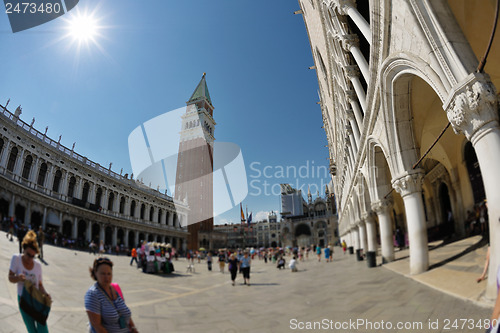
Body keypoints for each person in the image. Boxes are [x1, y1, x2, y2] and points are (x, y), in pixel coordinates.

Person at [8, 230, 51, 333]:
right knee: (31, 329)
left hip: (36, 298)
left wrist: (45, 294)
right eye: (28, 255)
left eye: (33, 256)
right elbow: (10, 277)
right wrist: (18, 278)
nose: (30, 258)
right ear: (23, 249)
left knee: (42, 327)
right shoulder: (16, 259)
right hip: (23, 299)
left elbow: (40, 284)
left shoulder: (38, 266)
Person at [85, 257, 138, 333]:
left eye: (109, 274)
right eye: (103, 274)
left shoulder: (114, 288)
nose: (107, 277)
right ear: (95, 273)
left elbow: (124, 312)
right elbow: (97, 326)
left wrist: (133, 328)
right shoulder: (93, 294)